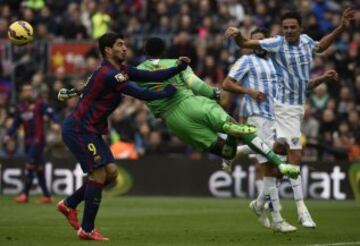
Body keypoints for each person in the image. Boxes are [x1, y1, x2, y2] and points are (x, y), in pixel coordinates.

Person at [225, 8, 354, 228]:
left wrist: (341, 27)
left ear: (300, 28)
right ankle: (302, 210)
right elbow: (246, 44)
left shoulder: (305, 42)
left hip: (296, 108)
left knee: (277, 163)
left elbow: (321, 46)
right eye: (285, 28)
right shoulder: (276, 43)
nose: (289, 31)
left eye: (293, 27)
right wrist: (237, 35)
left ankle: (257, 198)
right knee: (295, 157)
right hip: (280, 107)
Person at [56, 32, 191, 241]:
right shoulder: (111, 74)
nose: (125, 48)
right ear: (108, 50)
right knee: (98, 176)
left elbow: (152, 76)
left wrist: (178, 68)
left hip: (90, 130)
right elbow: (142, 93)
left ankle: (69, 204)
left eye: (125, 44)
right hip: (79, 129)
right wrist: (167, 93)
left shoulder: (119, 70)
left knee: (110, 174)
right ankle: (87, 229)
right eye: (120, 44)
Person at [135, 37, 300, 178]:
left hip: (174, 120)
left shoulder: (137, 71)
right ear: (164, 51)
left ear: (145, 51)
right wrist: (214, 93)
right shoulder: (176, 63)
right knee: (236, 126)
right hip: (191, 103)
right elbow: (196, 84)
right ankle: (279, 163)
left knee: (227, 153)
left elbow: (131, 89)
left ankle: (231, 133)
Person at [3, 83, 60, 204]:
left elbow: (52, 113)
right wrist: (8, 135)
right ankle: (47, 196)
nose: (28, 93)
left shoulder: (40, 104)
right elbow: (15, 125)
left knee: (29, 164)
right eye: (26, 90)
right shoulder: (20, 108)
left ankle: (24, 194)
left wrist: (55, 122)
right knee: (38, 168)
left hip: (38, 140)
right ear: (22, 93)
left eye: (30, 90)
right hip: (27, 141)